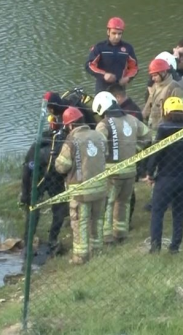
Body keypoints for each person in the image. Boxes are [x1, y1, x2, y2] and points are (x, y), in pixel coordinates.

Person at [146, 97, 183, 254]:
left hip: (165, 177)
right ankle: (175, 247)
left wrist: (150, 173)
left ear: (165, 111)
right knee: (179, 213)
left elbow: (156, 153)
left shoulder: (163, 129)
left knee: (158, 212)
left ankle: (155, 247)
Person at [92, 91, 149, 244]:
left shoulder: (103, 124)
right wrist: (135, 148)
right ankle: (121, 234)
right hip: (130, 170)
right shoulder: (132, 120)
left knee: (108, 204)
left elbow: (99, 145)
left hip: (111, 172)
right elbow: (148, 137)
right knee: (124, 202)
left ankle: (107, 237)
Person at [54, 107, 107, 265]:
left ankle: (80, 257)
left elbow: (62, 166)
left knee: (80, 222)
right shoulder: (99, 135)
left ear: (70, 126)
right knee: (97, 219)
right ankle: (97, 251)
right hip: (101, 187)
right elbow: (106, 155)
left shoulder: (71, 141)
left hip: (80, 191)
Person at [19, 120, 68, 255]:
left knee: (34, 211)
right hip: (51, 178)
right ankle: (51, 241)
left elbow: (26, 171)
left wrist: (25, 193)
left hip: (40, 179)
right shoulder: (65, 143)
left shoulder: (38, 145)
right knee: (58, 209)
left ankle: (30, 245)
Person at [85, 17, 138, 93]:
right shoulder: (100, 47)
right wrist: (104, 75)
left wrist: (128, 78)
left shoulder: (128, 48)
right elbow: (89, 65)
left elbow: (134, 68)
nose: (117, 37)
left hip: (119, 87)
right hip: (102, 87)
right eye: (114, 33)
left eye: (119, 34)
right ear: (108, 32)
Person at [142, 58, 183, 135]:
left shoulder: (174, 88)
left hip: (167, 132)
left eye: (155, 75)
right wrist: (141, 118)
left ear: (163, 72)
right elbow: (149, 105)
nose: (153, 78)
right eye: (152, 76)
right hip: (154, 129)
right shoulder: (156, 86)